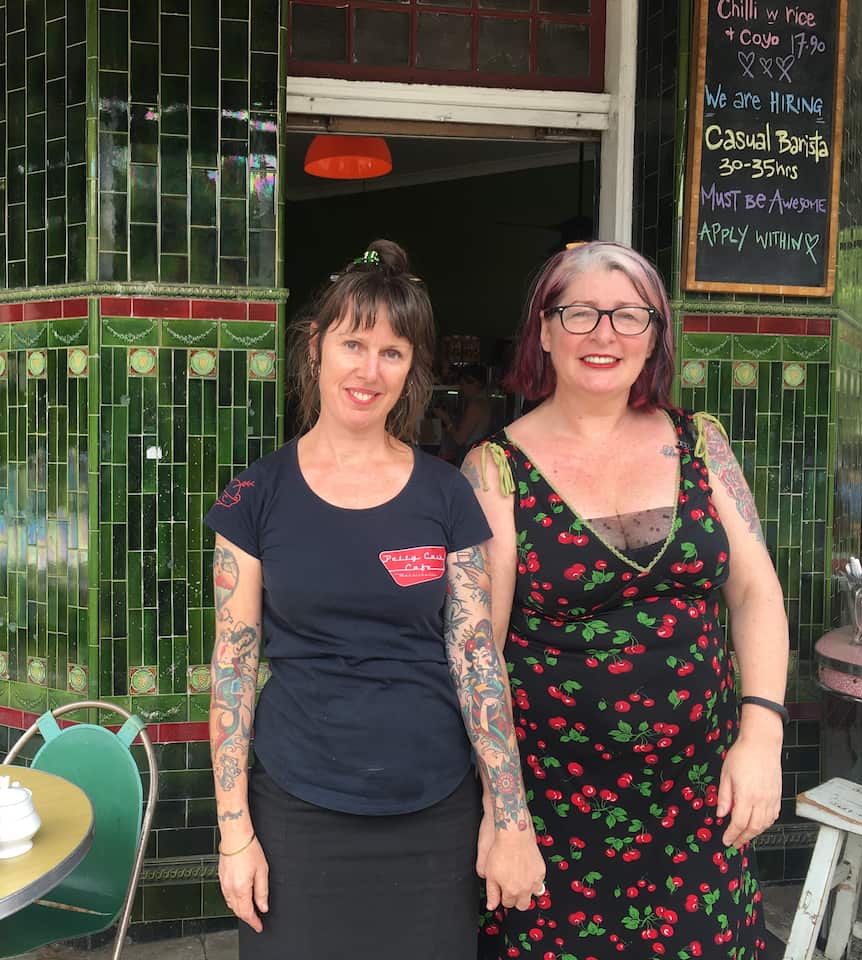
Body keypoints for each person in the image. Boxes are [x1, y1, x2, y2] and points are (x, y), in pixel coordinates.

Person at [203, 240, 544, 960]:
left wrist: (508, 815)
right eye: (353, 343)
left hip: (434, 812)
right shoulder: (253, 497)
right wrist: (235, 835)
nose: (369, 370)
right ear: (315, 349)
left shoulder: (447, 495)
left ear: (412, 367)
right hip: (296, 810)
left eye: (393, 352)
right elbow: (231, 669)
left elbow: (478, 660)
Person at [465, 240, 788, 960]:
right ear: (544, 333)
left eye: (629, 315)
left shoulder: (701, 444)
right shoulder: (495, 470)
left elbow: (757, 592)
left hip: (705, 799)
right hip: (556, 813)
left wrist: (762, 735)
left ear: (655, 336)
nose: (603, 334)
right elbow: (476, 653)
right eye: (579, 313)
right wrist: (504, 811)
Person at [435, 363, 493, 466]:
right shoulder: (485, 402)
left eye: (463, 384)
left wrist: (446, 419)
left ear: (475, 384)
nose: (462, 388)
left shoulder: (476, 405)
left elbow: (459, 439)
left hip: (469, 455)